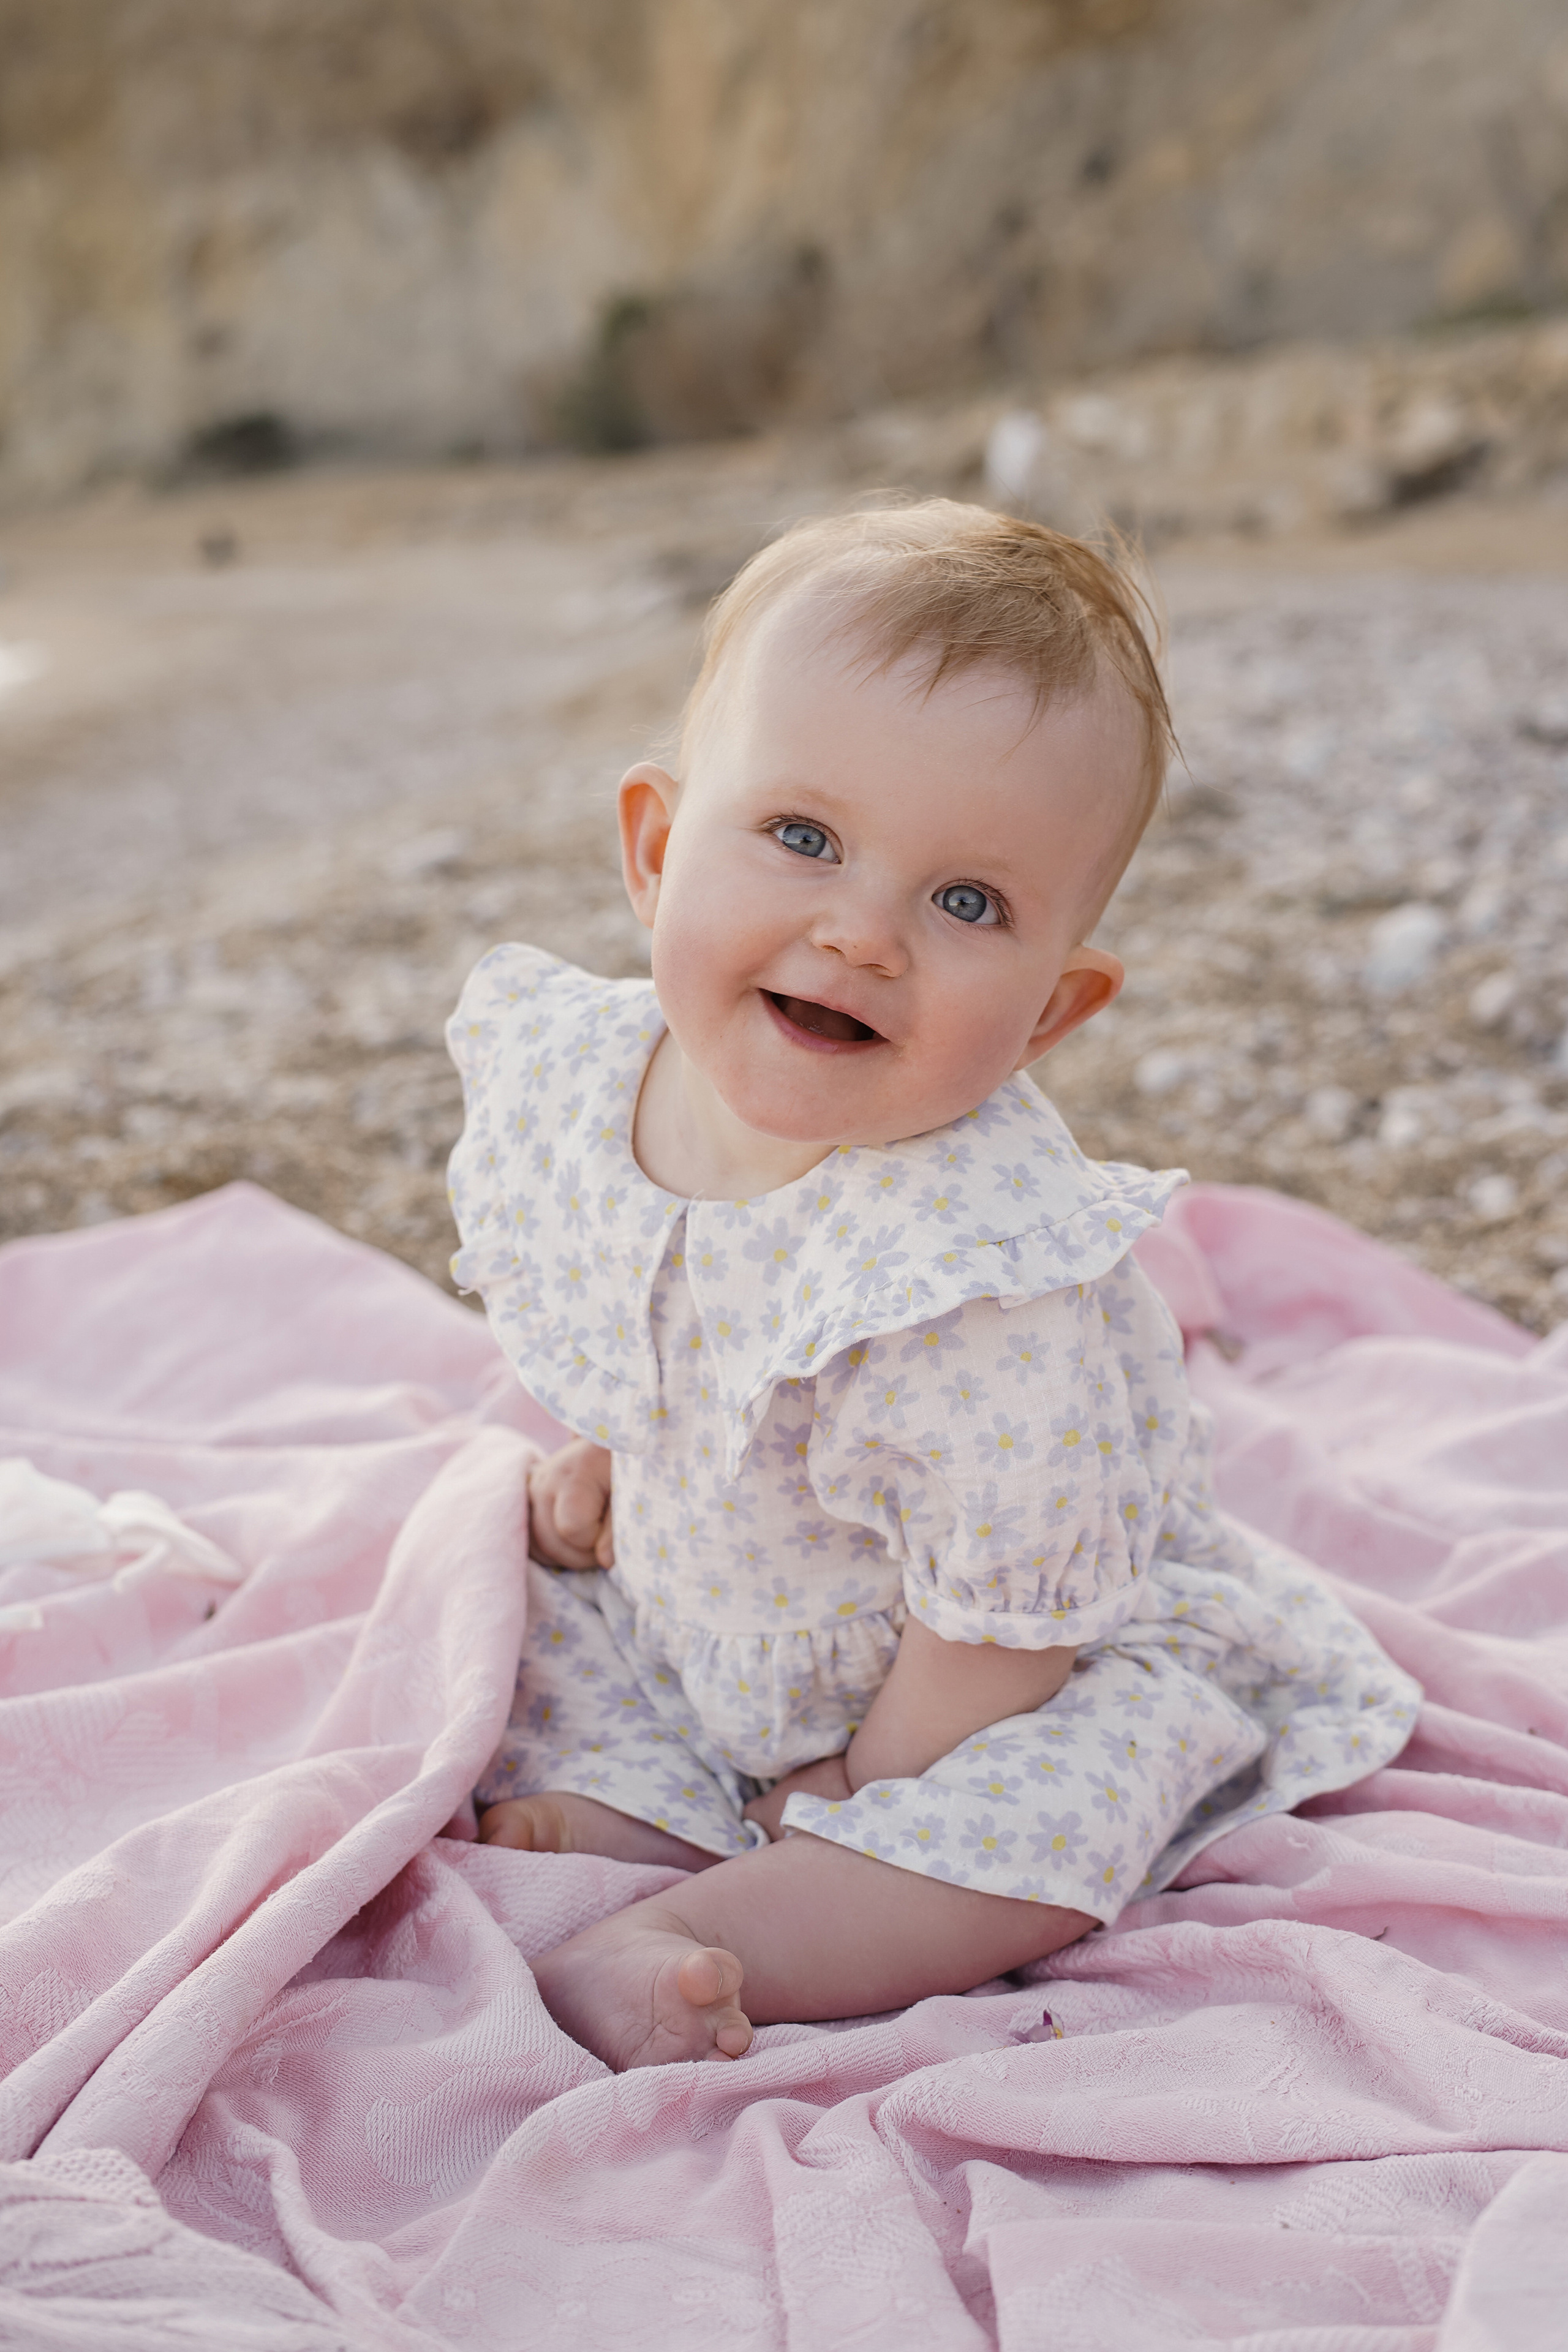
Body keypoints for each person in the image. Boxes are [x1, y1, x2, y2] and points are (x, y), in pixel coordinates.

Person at [445, 500, 1419, 2070]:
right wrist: (618, 1461)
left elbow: (1004, 1641)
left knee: (1031, 1829)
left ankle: (717, 1924)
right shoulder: (599, 1080)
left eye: (965, 904)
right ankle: (665, 1801)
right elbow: (668, 1315)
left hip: (985, 1673)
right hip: (723, 1590)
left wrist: (852, 1798)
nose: (859, 933)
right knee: (511, 1589)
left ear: (1047, 1014)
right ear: (652, 850)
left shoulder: (973, 1280)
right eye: (804, 838)